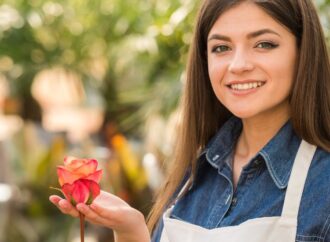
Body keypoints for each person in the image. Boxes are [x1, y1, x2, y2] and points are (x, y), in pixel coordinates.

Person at [50, 0, 330, 241]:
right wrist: (130, 230)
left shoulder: (323, 181)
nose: (238, 65)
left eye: (264, 44)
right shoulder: (196, 173)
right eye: (221, 48)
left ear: (303, 51)